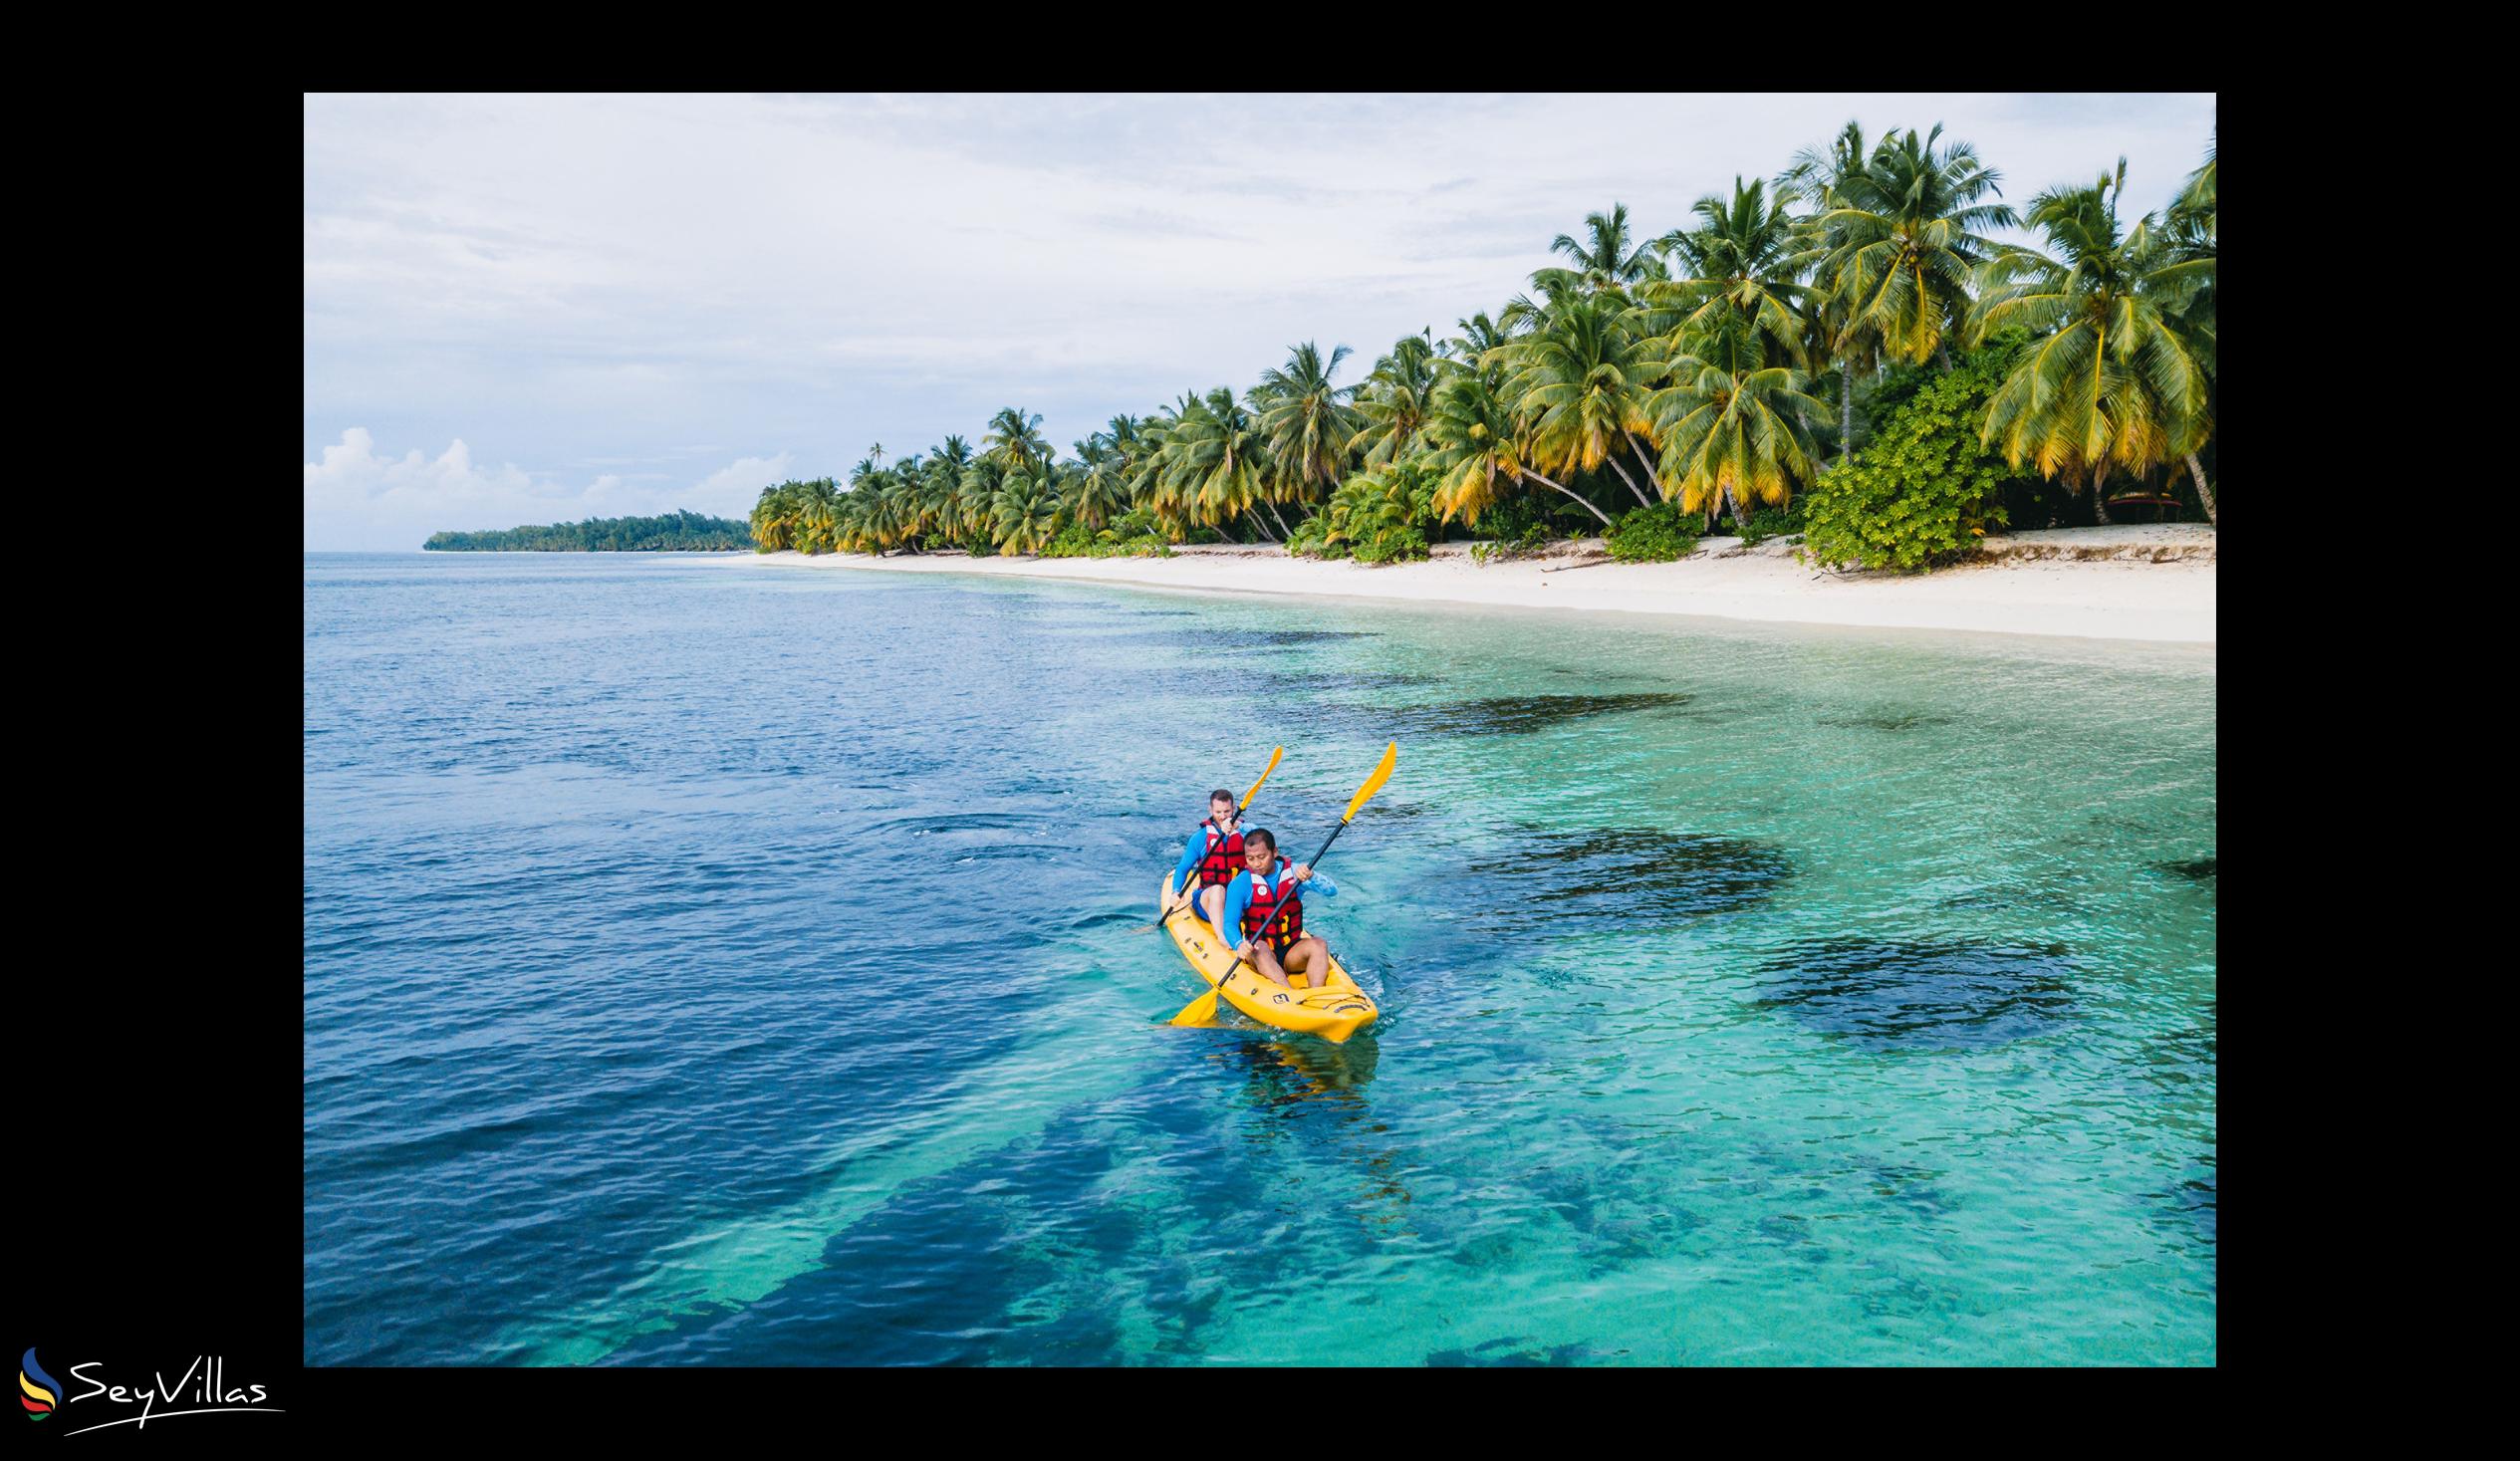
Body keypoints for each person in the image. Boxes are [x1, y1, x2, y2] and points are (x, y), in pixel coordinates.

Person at [1215, 828, 1338, 990]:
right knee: (1260, 948)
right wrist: (1239, 944)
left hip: (1291, 951)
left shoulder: (1295, 873)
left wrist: (1312, 877)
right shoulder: (1240, 883)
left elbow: (1331, 891)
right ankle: (1289, 995)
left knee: (1319, 944)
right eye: (1250, 858)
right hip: (1260, 953)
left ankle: (1317, 994)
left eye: (1261, 857)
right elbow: (1229, 924)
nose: (1256, 864)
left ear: (1274, 852)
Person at [1166, 790, 1246, 931]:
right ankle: (1224, 937)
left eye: (1227, 811)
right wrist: (1176, 891)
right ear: (1210, 810)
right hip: (1207, 900)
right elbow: (1183, 868)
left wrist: (1240, 827)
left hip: (1236, 901)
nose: (1223, 816)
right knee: (1217, 890)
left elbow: (1264, 840)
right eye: (1218, 812)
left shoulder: (1245, 834)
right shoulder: (1200, 838)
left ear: (1234, 809)